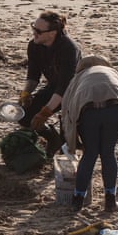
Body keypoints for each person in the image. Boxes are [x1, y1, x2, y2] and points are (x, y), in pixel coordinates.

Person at [60, 55, 118, 213]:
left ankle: (77, 201)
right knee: (108, 152)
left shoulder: (78, 77)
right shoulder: (113, 72)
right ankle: (110, 202)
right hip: (116, 109)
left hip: (88, 111)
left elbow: (66, 106)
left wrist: (70, 137)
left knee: (90, 153)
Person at [18, 10, 82, 152]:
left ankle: (67, 144)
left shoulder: (69, 48)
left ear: (52, 33)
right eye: (33, 27)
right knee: (25, 115)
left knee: (67, 131)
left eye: (38, 31)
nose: (34, 32)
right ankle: (52, 138)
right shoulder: (34, 45)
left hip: (76, 91)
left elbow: (64, 86)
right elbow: (33, 76)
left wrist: (46, 111)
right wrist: (26, 93)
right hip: (54, 86)